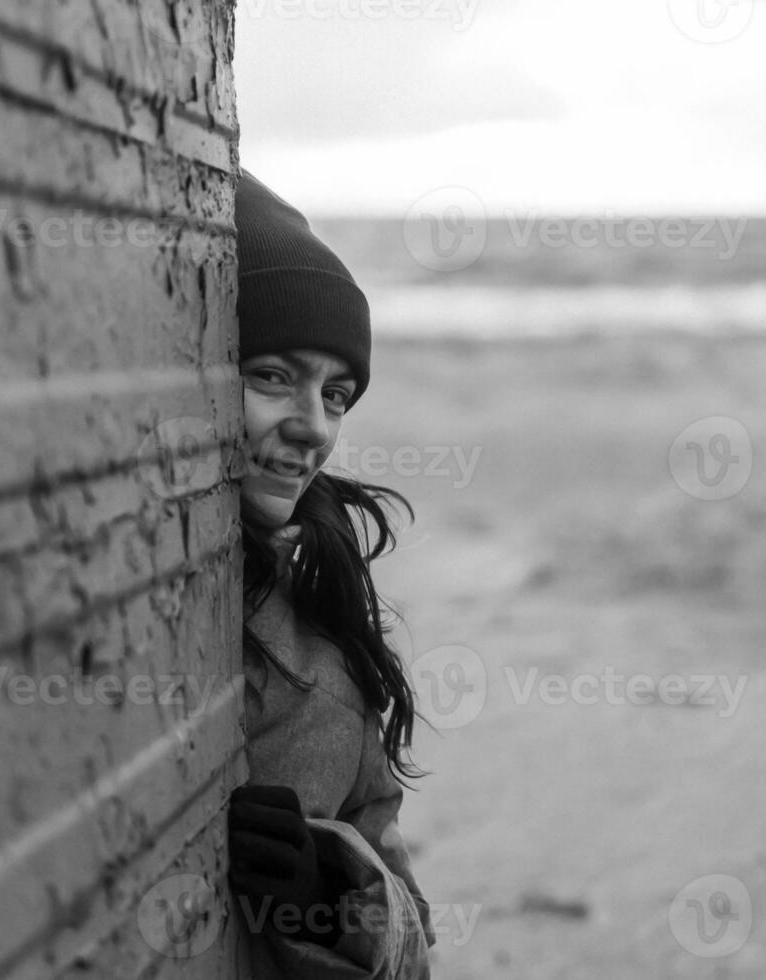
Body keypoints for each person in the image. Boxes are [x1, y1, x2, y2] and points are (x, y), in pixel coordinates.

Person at [228, 171, 433, 979]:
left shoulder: (328, 629)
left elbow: (412, 942)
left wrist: (326, 895)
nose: (313, 426)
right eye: (272, 376)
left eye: (336, 393)